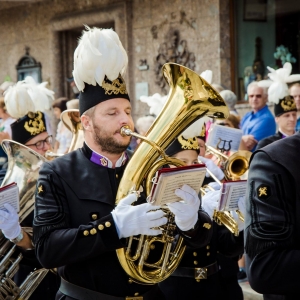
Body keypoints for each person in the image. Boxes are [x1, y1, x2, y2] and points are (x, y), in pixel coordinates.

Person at [33, 27, 213, 300]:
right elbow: (46, 250)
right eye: (112, 112)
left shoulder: (156, 168)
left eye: (127, 111)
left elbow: (198, 242)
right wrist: (113, 228)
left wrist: (190, 222)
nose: (125, 121)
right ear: (87, 122)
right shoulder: (56, 172)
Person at [159, 127, 244, 300]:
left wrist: (239, 228)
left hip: (213, 287)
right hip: (175, 290)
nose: (190, 168)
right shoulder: (157, 198)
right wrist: (196, 219)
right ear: (166, 163)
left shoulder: (204, 190)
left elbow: (227, 249)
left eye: (194, 161)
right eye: (182, 161)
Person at [245, 63, 300, 300]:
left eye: (292, 115)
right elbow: (264, 267)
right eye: (285, 115)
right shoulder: (272, 153)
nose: (290, 119)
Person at [0, 80, 59, 299]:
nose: (47, 148)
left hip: (55, 280)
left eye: (47, 140)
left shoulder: (60, 177)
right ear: (23, 150)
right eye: (38, 144)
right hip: (24, 277)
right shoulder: (10, 184)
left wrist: (18, 235)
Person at [241, 82, 276, 152]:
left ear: (266, 98)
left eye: (258, 96)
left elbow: (246, 145)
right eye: (251, 96)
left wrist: (239, 139)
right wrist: (242, 138)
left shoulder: (267, 119)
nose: (254, 99)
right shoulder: (247, 116)